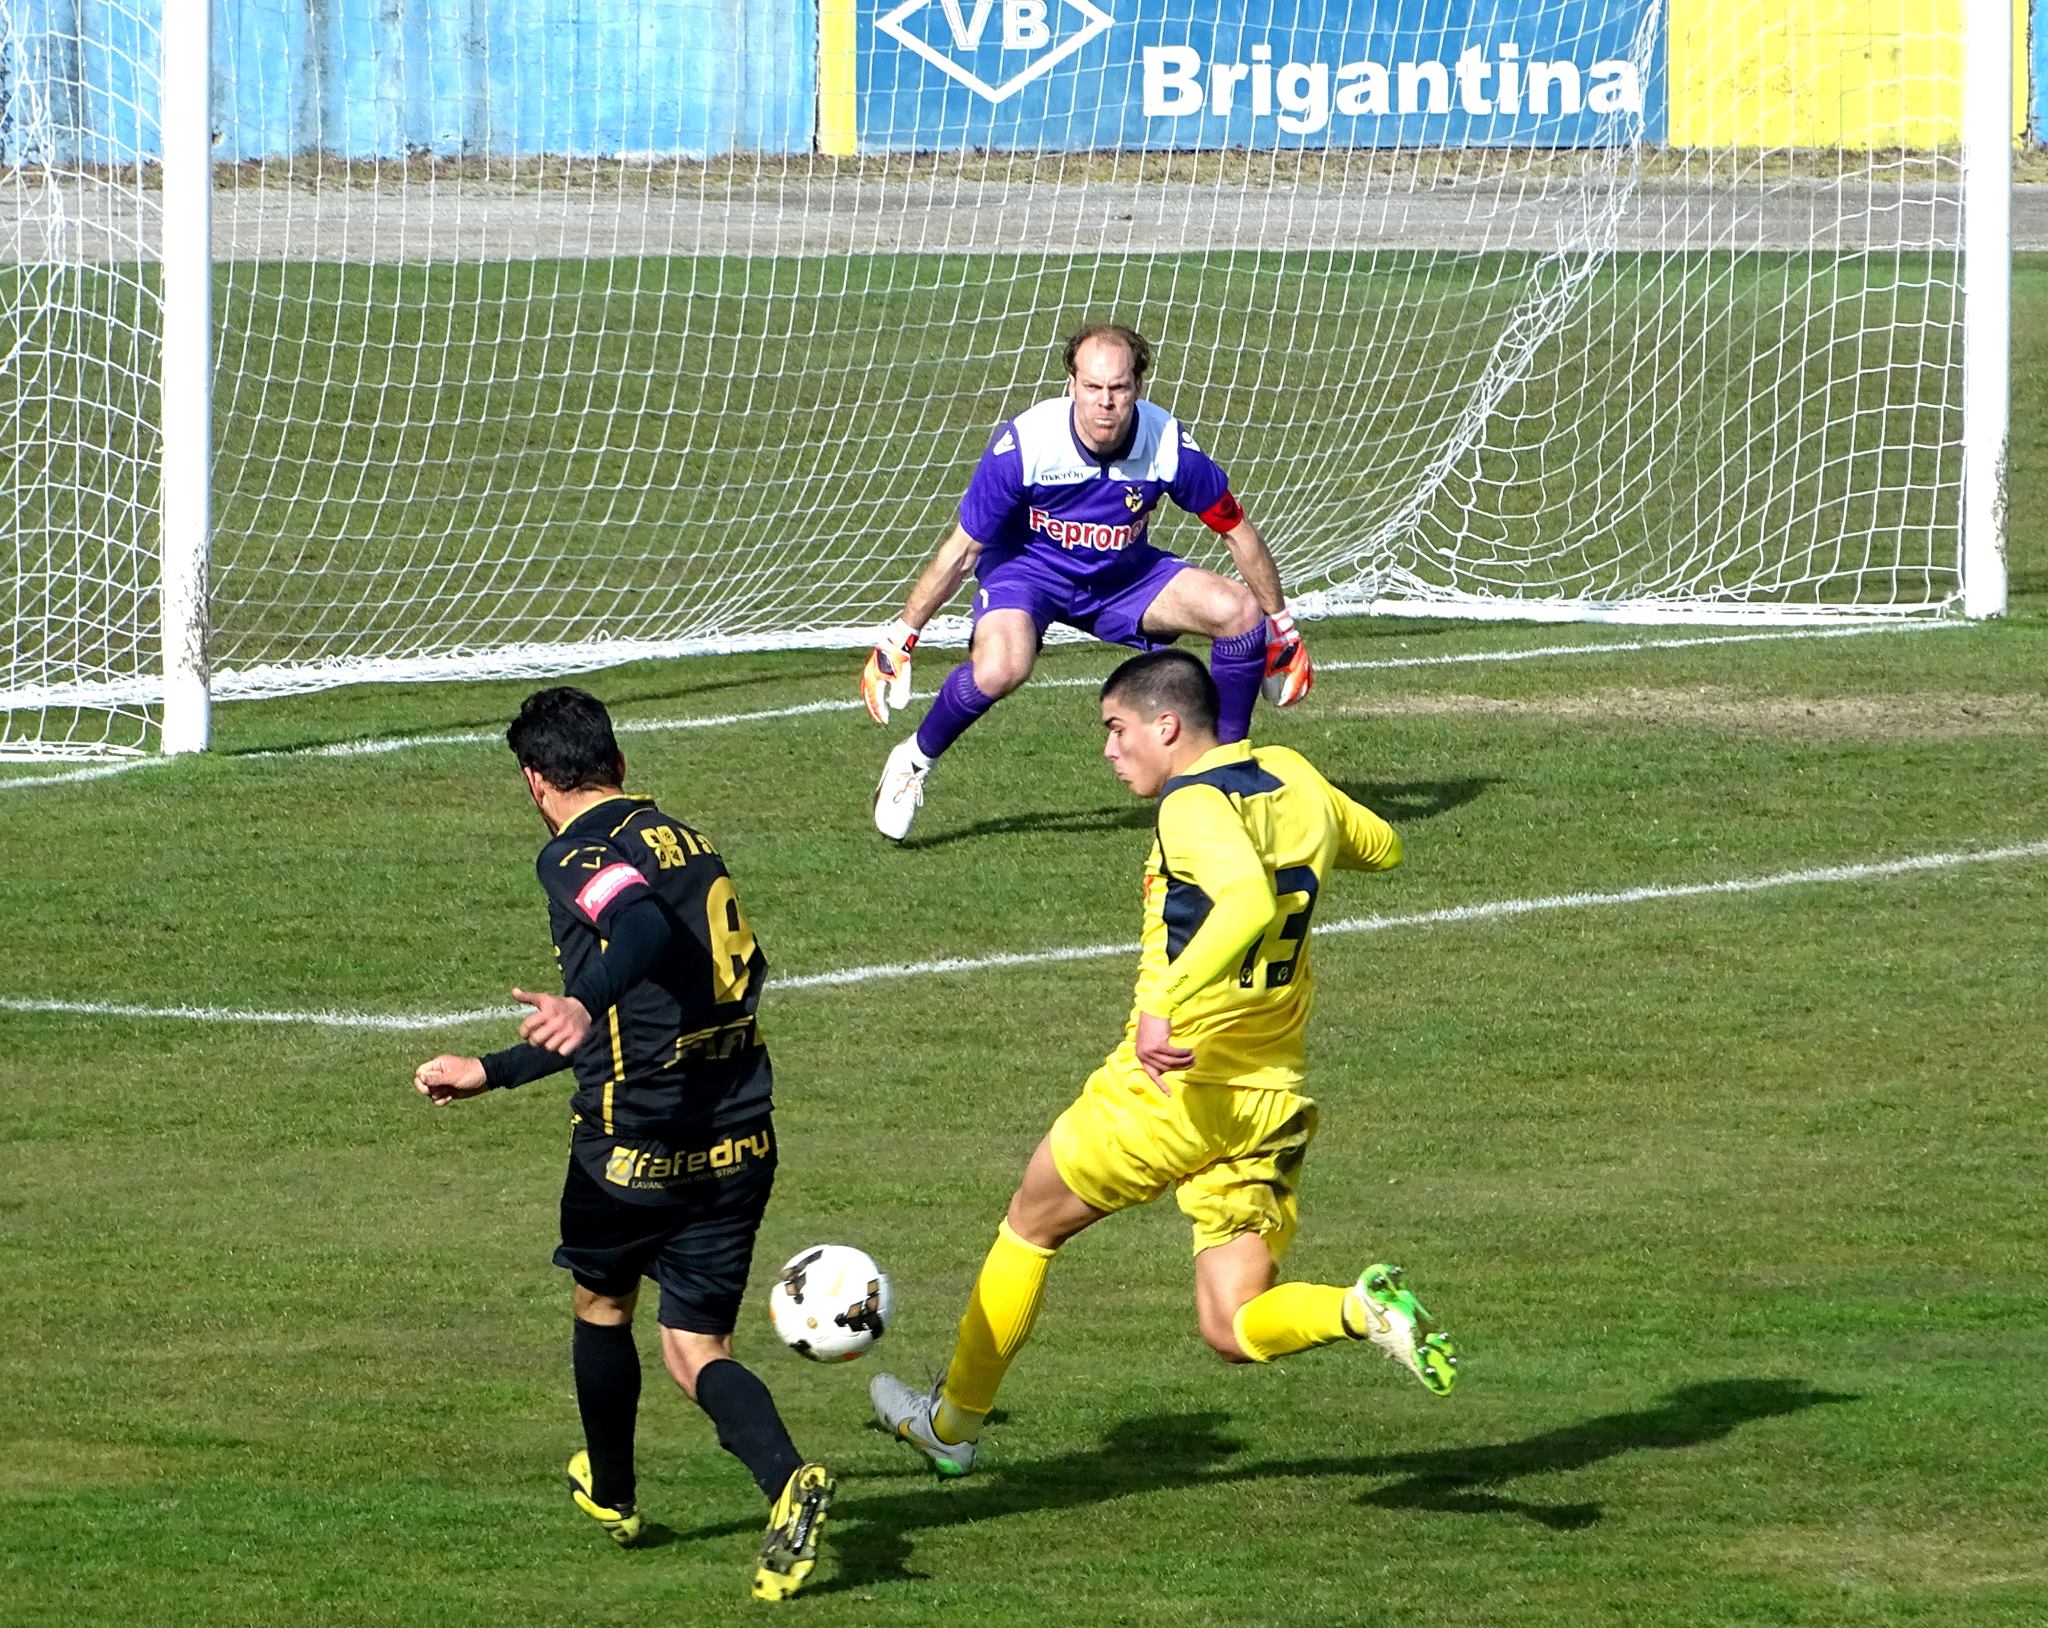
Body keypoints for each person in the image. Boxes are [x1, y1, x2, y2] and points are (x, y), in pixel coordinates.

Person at [868, 650, 1456, 1475]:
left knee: (1030, 1226)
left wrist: (1161, 1004)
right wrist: (1305, 837)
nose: (1109, 750)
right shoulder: (1292, 772)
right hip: (1271, 1098)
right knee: (1231, 1325)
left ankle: (952, 1426)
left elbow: (1248, 900)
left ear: (1166, 725)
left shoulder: (1190, 806)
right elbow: (1384, 846)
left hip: (1172, 1087)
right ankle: (1361, 1310)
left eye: (1116, 730)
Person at [411, 686, 833, 1602]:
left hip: (634, 1143)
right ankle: (786, 1479)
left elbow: (632, 931)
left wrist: (579, 1000)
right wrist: (493, 1069)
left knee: (603, 1307)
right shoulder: (687, 838)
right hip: (741, 1136)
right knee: (696, 1347)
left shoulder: (577, 853)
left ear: (534, 782)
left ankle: (614, 1493)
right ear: (621, 764)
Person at [860, 321, 1315, 841]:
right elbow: (963, 550)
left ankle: (1224, 781)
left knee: (1238, 612)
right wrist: (902, 635)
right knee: (1003, 666)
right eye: (1093, 387)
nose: (1105, 402)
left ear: (1137, 389)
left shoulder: (1166, 443)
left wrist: (1281, 625)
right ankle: (913, 760)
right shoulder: (1026, 444)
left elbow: (1236, 531)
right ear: (1071, 385)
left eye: (1118, 388)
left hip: (1123, 576)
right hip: (1028, 572)